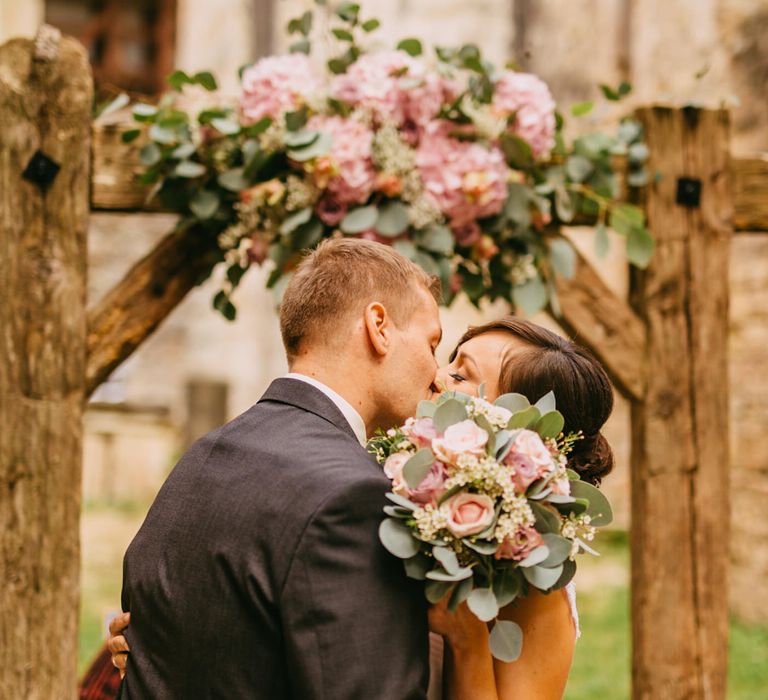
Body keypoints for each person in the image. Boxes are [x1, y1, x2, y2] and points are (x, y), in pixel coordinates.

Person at [109, 242, 615, 699]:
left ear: (518, 435)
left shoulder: (531, 577)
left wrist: (467, 640)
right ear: (377, 329)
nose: (437, 376)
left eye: (460, 373)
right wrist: (162, 642)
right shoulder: (368, 496)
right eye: (441, 351)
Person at [115, 238, 442, 698]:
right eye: (432, 343)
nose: (437, 373)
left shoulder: (203, 455)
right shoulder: (353, 498)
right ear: (379, 327)